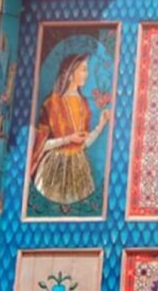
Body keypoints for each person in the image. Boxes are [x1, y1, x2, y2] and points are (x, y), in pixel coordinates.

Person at [30, 53, 110, 206]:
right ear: (71, 73)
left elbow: (83, 144)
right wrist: (67, 139)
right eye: (83, 70)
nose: (86, 74)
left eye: (86, 70)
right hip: (53, 170)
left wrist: (101, 125)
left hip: (79, 171)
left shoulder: (84, 105)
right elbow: (40, 146)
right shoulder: (51, 103)